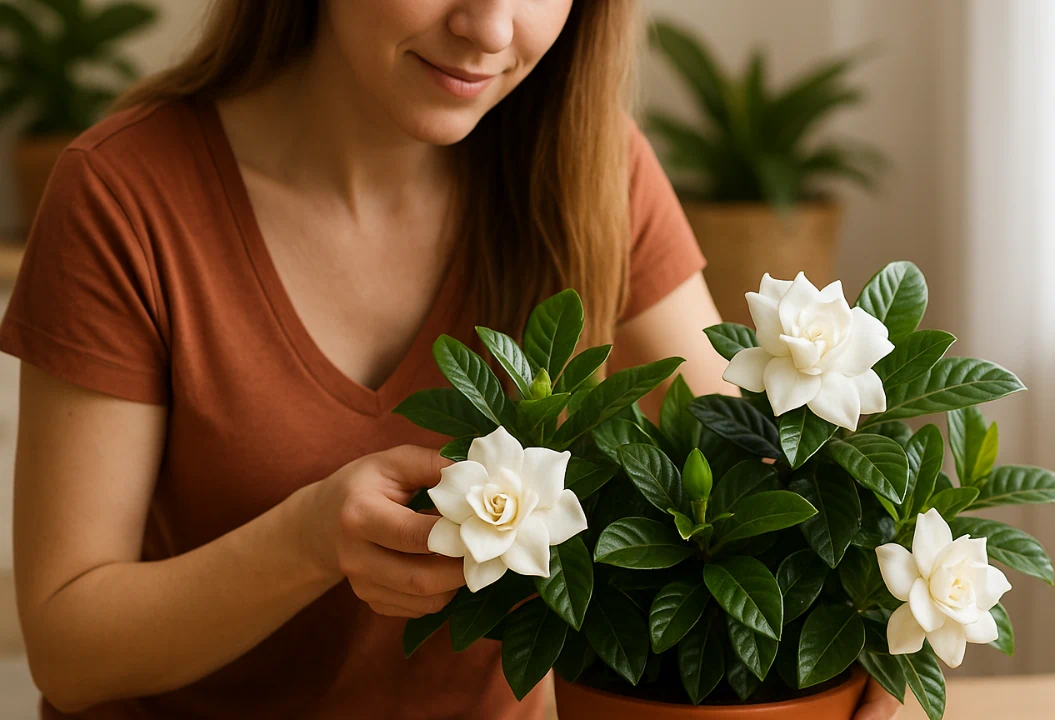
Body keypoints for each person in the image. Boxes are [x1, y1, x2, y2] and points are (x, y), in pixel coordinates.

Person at [2, 2, 901, 718]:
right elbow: (69, 649)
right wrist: (309, 539)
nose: (491, 29)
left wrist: (877, 636)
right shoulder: (126, 195)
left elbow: (753, 482)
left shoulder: (592, 171)